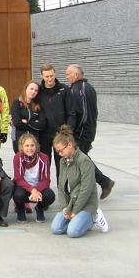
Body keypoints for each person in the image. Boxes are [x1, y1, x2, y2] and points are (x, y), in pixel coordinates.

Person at [66, 64, 115, 199]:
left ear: (76, 75)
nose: (67, 77)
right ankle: (102, 183)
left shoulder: (80, 89)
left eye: (68, 74)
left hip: (82, 132)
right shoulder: (87, 87)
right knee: (81, 159)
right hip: (87, 130)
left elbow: (83, 113)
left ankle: (103, 182)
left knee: (80, 159)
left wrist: (75, 131)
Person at [51, 125, 109, 238]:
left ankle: (94, 217)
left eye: (60, 150)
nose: (59, 154)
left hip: (86, 204)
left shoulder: (84, 161)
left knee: (73, 232)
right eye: (57, 151)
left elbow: (86, 189)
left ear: (70, 145)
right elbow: (61, 186)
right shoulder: (63, 161)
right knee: (56, 229)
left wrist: (75, 211)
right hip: (70, 204)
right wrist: (64, 207)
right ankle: (78, 221)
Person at [38, 63, 71, 181]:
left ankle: (63, 189)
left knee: (61, 165)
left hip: (60, 134)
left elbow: (71, 112)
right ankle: (44, 188)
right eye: (46, 76)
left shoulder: (64, 89)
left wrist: (68, 130)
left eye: (51, 75)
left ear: (55, 74)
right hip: (44, 134)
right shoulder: (38, 91)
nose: (50, 79)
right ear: (41, 76)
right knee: (44, 164)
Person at [12, 133, 55, 223]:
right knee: (18, 195)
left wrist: (36, 190)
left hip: (39, 187)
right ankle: (20, 209)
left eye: (32, 145)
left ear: (36, 146)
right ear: (21, 147)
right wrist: (32, 190)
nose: (30, 148)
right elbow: (18, 179)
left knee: (50, 196)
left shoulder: (44, 158)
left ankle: (39, 208)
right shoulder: (17, 157)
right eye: (26, 146)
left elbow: (46, 180)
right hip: (24, 187)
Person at [11, 81, 46, 152]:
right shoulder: (17, 102)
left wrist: (26, 122)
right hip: (19, 138)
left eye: (36, 90)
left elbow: (42, 125)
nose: (33, 92)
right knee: (20, 158)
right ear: (26, 89)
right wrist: (34, 123)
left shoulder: (38, 105)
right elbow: (17, 123)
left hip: (34, 140)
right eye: (31, 89)